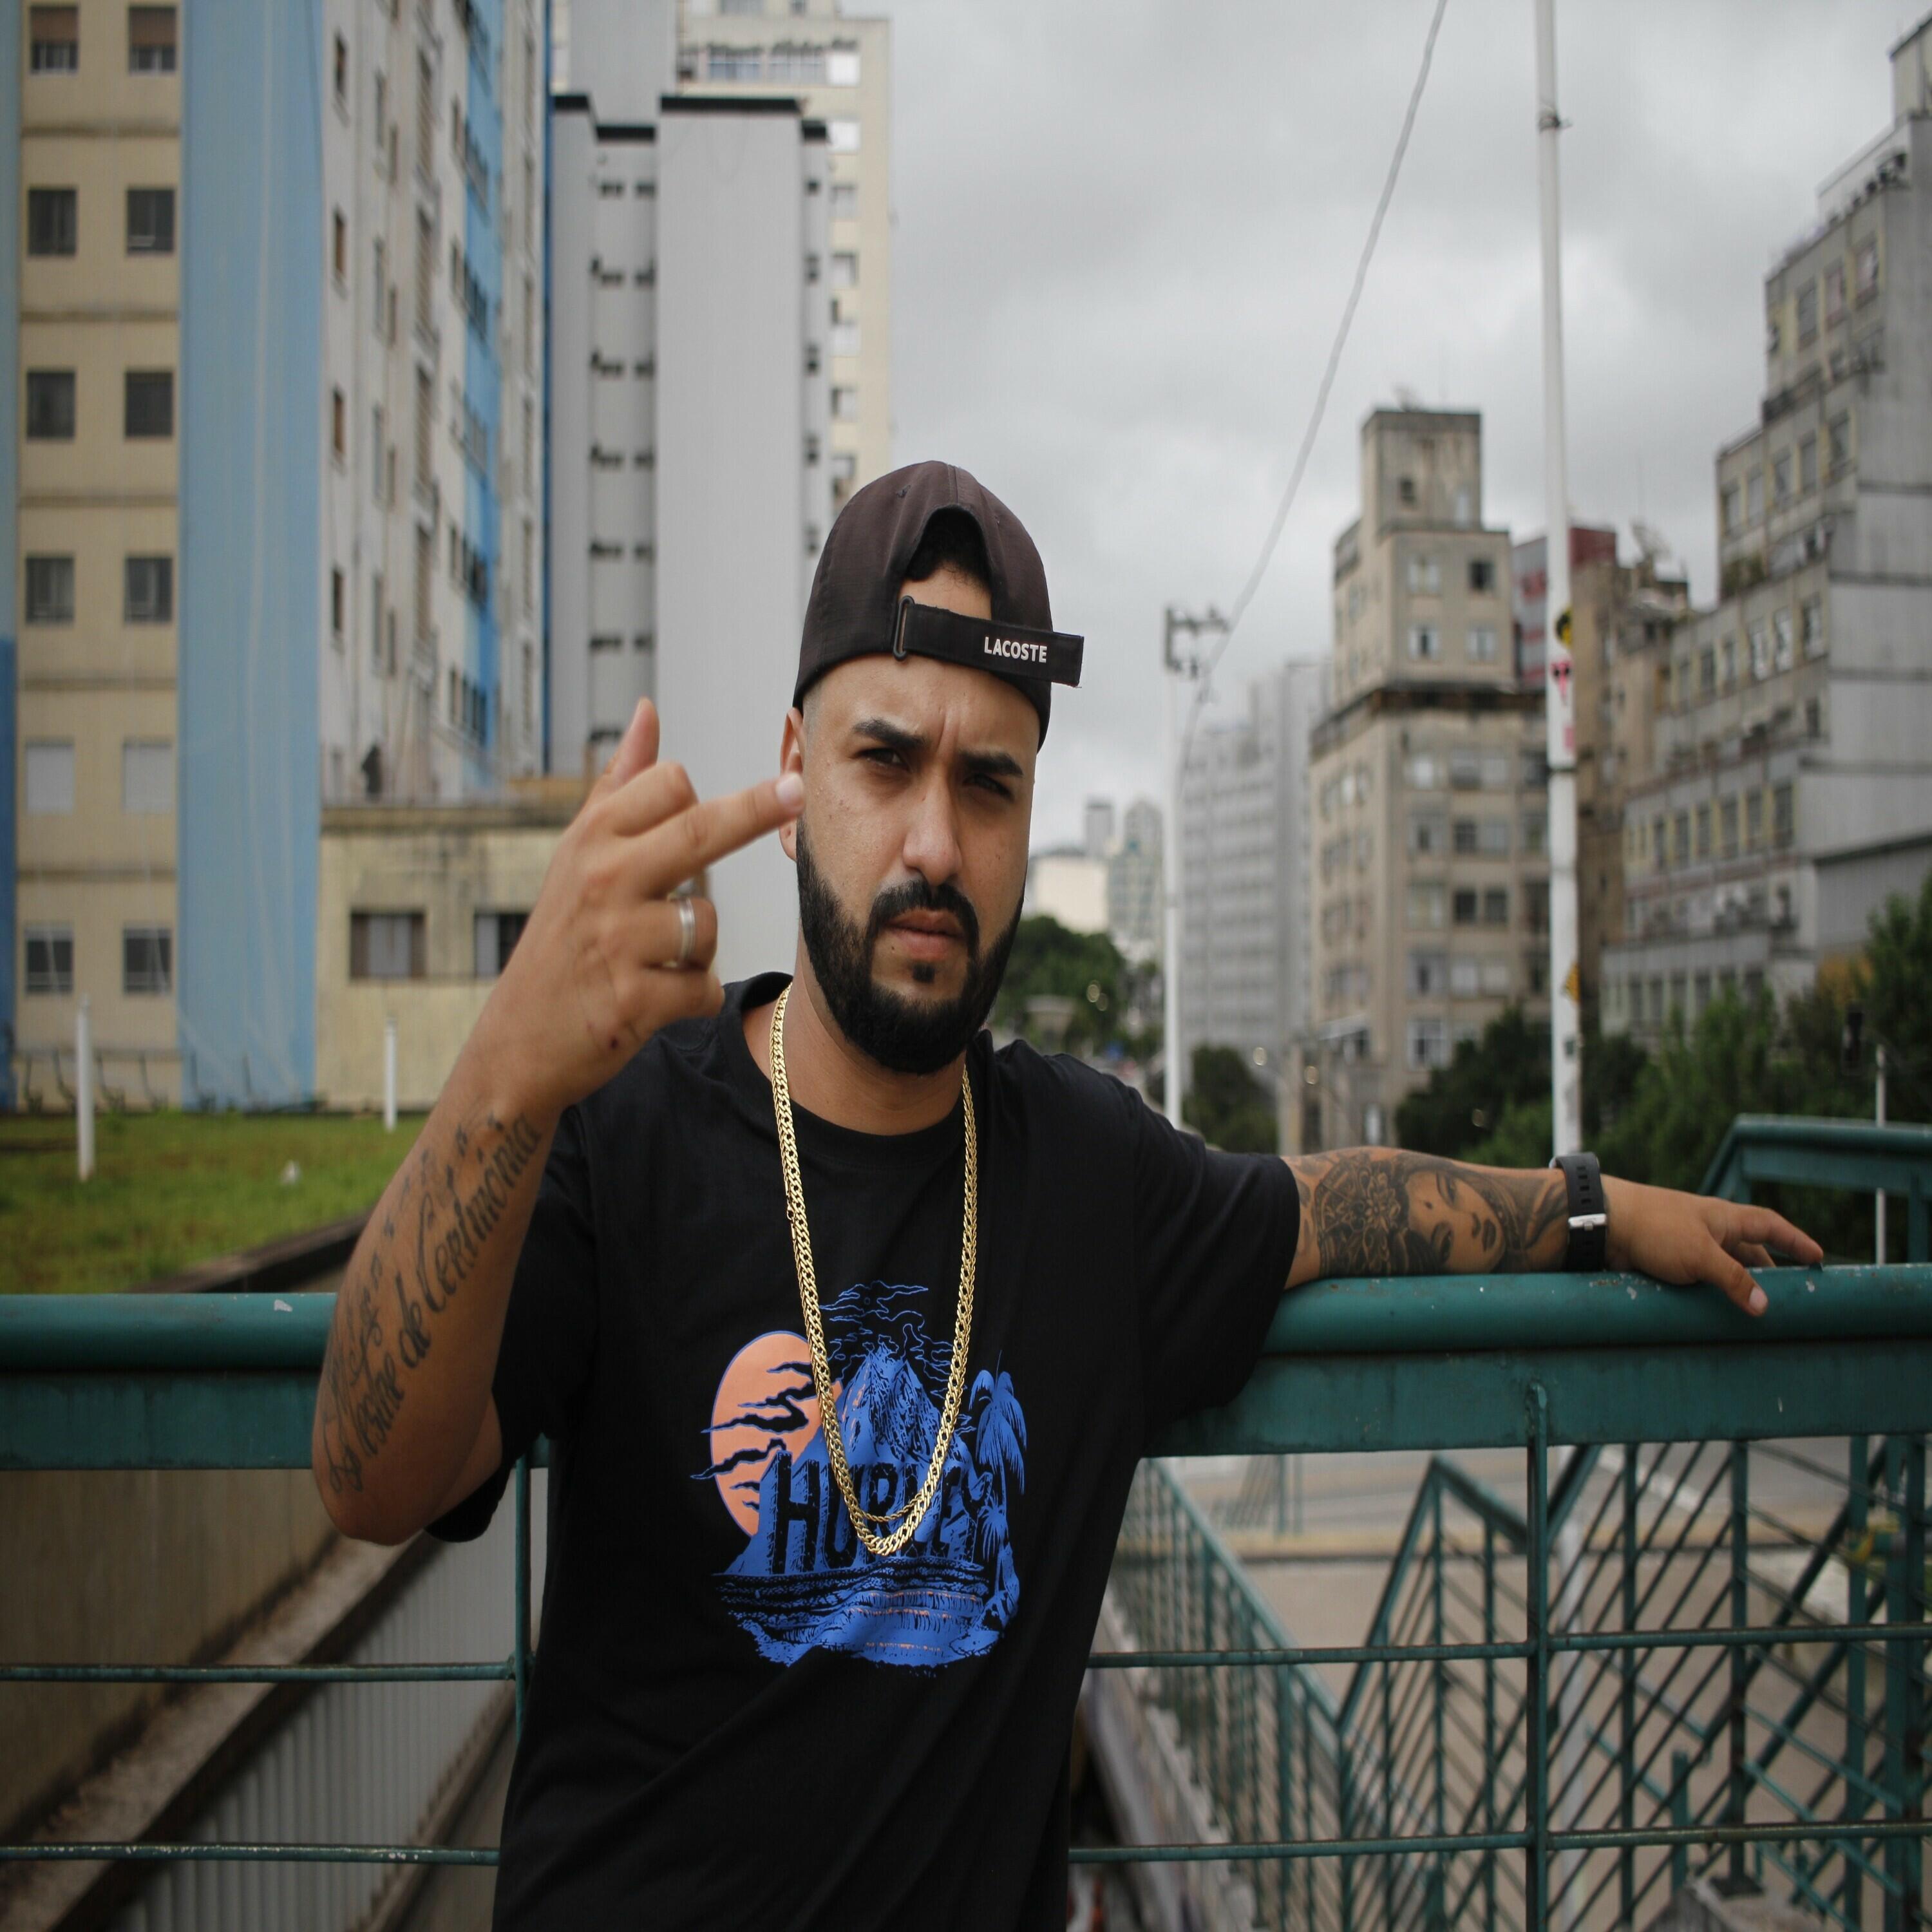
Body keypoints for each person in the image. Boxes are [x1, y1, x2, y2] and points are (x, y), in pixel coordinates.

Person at [311, 461, 1820, 1929]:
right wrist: (504, 1074)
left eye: (990, 785)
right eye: (884, 762)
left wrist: (1595, 1206)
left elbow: (1338, 1206)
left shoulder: (1088, 1174)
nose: (935, 846)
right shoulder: (618, 1125)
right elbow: (370, 1483)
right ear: (794, 776)